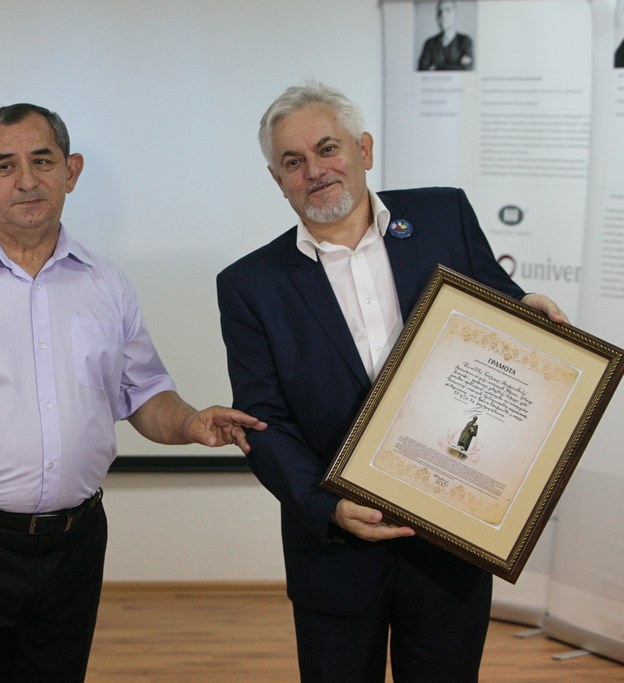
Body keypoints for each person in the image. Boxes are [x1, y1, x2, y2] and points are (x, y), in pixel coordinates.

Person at [0, 102, 266, 683]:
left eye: (42, 161)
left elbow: (144, 394)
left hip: (76, 545)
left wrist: (190, 422)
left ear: (71, 172)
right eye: (5, 166)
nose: (26, 180)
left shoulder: (108, 284)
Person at [216, 82, 566, 683]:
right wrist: (328, 508)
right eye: (293, 162)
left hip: (452, 539)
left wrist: (527, 313)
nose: (315, 171)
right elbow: (262, 421)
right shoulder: (250, 284)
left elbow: (499, 317)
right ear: (278, 180)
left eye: (328, 148)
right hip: (336, 551)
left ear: (364, 150)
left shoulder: (444, 216)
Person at [418, 0, 474, 71]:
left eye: (448, 10)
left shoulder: (465, 41)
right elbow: (422, 70)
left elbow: (467, 69)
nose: (443, 15)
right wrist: (457, 65)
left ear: (455, 14)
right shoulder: (429, 44)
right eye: (440, 12)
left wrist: (436, 67)